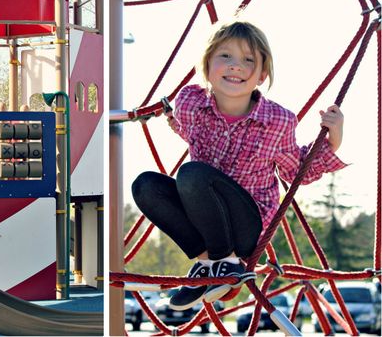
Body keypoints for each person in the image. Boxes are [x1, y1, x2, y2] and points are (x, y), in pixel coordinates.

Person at [132, 21, 346, 310]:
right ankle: (208, 262)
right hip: (204, 219)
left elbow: (294, 171)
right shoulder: (190, 104)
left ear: (262, 74)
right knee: (146, 185)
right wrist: (172, 120)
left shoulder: (277, 121)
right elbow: (189, 130)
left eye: (248, 60)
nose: (236, 66)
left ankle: (228, 264)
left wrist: (333, 140)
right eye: (225, 56)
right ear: (206, 66)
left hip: (247, 225)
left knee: (192, 174)